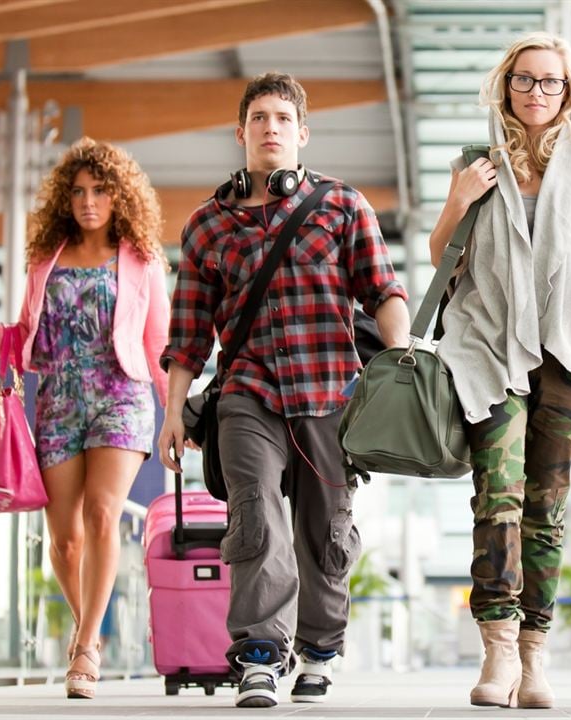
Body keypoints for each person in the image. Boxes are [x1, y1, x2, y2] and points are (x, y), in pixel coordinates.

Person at [156, 72, 410, 709]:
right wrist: (171, 415)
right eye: (259, 118)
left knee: (326, 529)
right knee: (255, 515)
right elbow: (186, 335)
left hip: (330, 389)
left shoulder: (343, 205)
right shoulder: (206, 226)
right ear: (240, 133)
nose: (271, 128)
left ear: (302, 133)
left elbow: (383, 292)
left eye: (282, 118)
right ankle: (261, 655)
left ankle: (319, 652)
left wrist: (402, 361)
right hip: (246, 393)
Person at [429, 32, 571, 710]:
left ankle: (534, 656)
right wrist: (460, 200)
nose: (537, 93)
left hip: (568, 348)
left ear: (569, 91)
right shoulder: (477, 161)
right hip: (491, 344)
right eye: (526, 80)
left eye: (550, 83)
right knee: (497, 496)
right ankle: (497, 650)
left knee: (546, 511)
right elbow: (442, 257)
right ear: (507, 85)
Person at [0, 137, 170, 700]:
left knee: (102, 513)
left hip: (122, 395)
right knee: (63, 541)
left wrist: (175, 417)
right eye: (79, 192)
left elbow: (159, 342)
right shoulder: (47, 260)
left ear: (119, 195)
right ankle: (92, 628)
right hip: (59, 400)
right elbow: (24, 338)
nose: (89, 201)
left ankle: (85, 649)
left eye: (100, 190)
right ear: (67, 199)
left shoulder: (142, 259)